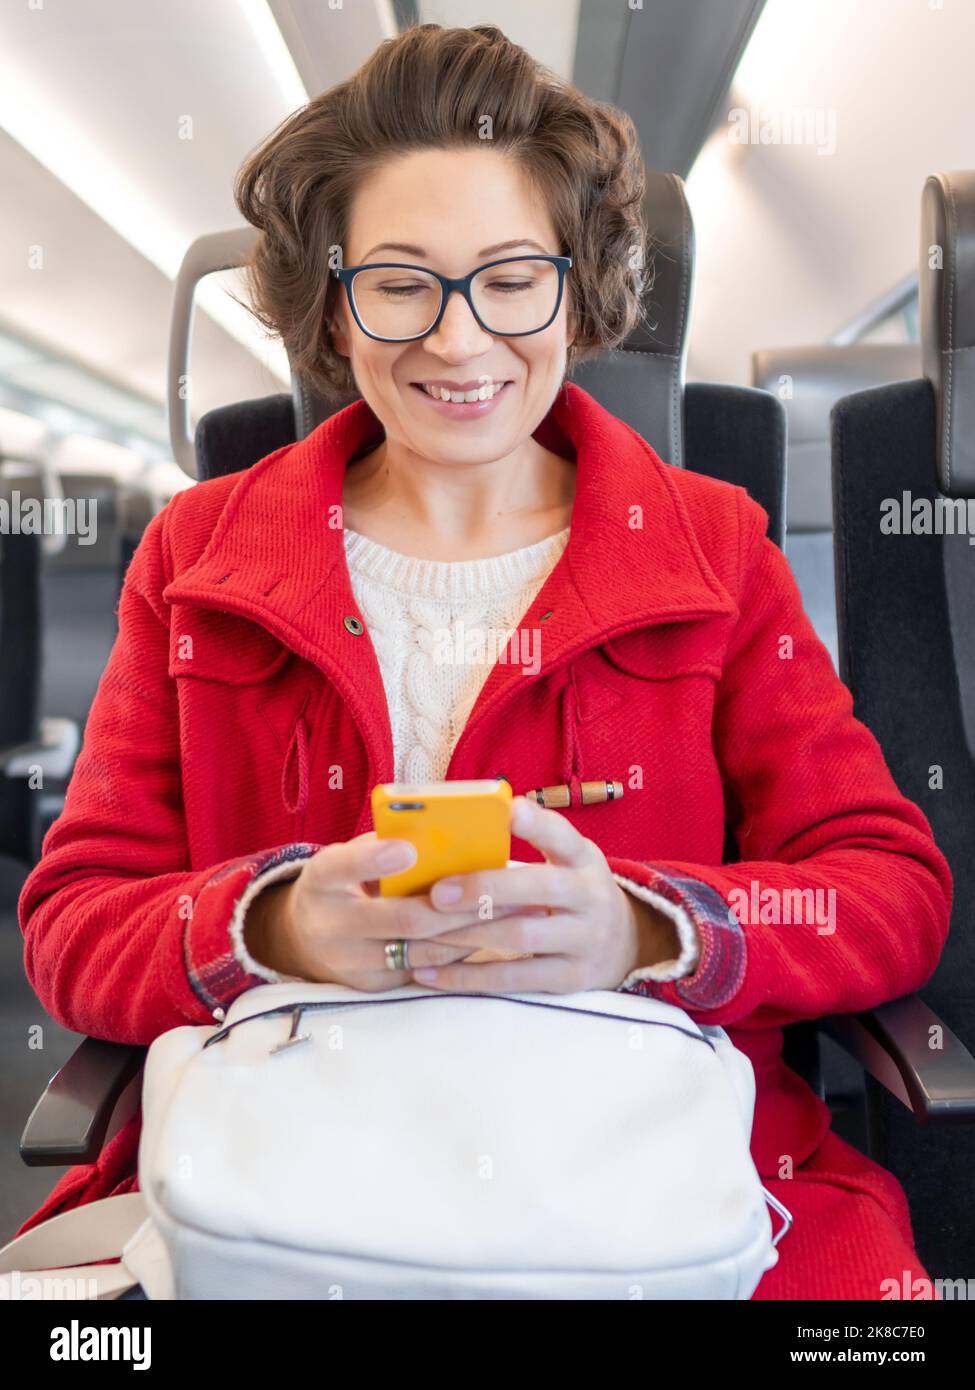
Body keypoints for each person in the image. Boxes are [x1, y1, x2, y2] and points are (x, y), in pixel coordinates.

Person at [13, 24, 951, 1300]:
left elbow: (888, 892)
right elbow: (74, 926)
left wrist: (643, 927)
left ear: (577, 288)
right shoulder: (197, 554)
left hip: (649, 1173)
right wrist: (272, 924)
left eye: (513, 279)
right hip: (286, 1166)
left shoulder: (711, 548)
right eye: (400, 283)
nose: (459, 342)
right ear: (330, 304)